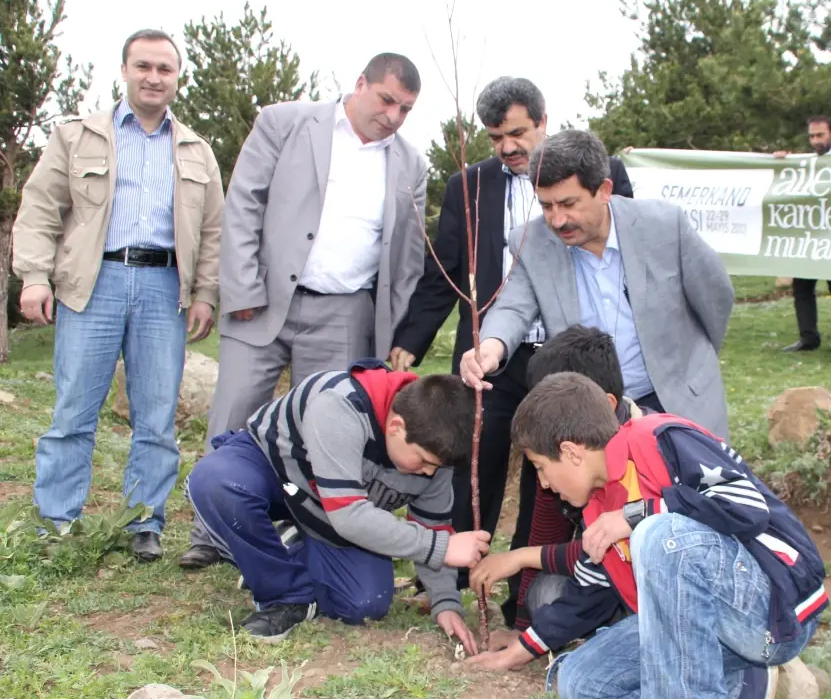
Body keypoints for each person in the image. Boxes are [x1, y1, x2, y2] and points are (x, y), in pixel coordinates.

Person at [467, 372, 827, 699]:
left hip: (772, 609)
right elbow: (590, 592)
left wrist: (638, 515)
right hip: (713, 626)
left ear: (570, 451)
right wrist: (522, 649)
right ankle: (732, 681)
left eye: (539, 467)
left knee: (657, 533)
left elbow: (746, 506)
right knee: (579, 683)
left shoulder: (661, 439)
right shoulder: (597, 504)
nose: (545, 484)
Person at [391, 78, 634, 622]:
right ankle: (453, 580)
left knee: (547, 477)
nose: (507, 146)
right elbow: (445, 273)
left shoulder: (600, 172)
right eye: (495, 136)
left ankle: (526, 590)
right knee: (476, 464)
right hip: (497, 353)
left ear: (543, 120)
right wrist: (411, 338)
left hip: (568, 359)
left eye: (518, 132)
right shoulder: (467, 186)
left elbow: (625, 258)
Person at [180, 53, 430, 570]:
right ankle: (210, 530)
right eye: (386, 100)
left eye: (405, 108)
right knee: (232, 416)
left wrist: (390, 335)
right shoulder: (284, 122)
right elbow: (245, 202)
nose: (393, 115)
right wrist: (243, 290)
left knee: (321, 436)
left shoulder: (411, 164)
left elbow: (407, 260)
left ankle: (305, 533)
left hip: (344, 313)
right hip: (264, 302)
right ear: (359, 83)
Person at [11, 29, 223, 561]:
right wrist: (35, 275)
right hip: (93, 285)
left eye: (165, 69)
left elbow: (215, 232)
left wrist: (204, 294)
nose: (154, 77)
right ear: (125, 71)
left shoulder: (197, 151)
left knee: (156, 416)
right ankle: (58, 519)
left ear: (178, 77)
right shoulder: (76, 138)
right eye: (144, 66)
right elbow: (39, 209)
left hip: (163, 288)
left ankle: (143, 521)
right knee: (73, 411)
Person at [183, 361, 492, 645]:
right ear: (396, 427)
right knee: (218, 482)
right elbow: (352, 517)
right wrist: (441, 547)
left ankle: (291, 546)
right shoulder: (340, 405)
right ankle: (286, 594)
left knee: (365, 602)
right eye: (423, 462)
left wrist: (445, 604)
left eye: (435, 467)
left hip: (328, 512)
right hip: (271, 473)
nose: (428, 472)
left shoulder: (435, 455)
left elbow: (432, 526)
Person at [460, 128, 735, 441]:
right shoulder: (532, 241)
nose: (558, 220)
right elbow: (512, 305)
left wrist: (694, 361)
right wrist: (490, 347)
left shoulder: (665, 225)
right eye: (546, 206)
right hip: (597, 414)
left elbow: (716, 297)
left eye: (568, 203)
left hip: (679, 403)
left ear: (604, 190)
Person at [466, 324, 642, 640]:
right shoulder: (555, 453)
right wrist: (522, 630)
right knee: (544, 596)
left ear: (606, 403)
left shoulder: (648, 451)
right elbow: (546, 530)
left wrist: (520, 557)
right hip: (596, 577)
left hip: (649, 581)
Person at [773, 115, 831, 351]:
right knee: (802, 286)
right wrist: (781, 163)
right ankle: (808, 337)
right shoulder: (808, 161)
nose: (815, 141)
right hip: (809, 233)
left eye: (820, 135)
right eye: (811, 136)